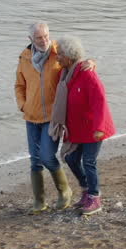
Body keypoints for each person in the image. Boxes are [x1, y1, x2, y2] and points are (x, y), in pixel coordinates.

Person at [50, 35, 115, 216]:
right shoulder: (65, 73)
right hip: (76, 128)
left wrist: (99, 128)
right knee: (70, 158)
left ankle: (95, 198)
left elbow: (99, 100)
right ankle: (86, 189)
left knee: (88, 161)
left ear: (69, 56)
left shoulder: (87, 73)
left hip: (93, 129)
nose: (57, 57)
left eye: (60, 54)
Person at [14, 21, 75, 213]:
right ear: (31, 39)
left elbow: (80, 66)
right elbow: (19, 85)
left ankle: (65, 191)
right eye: (39, 38)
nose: (44, 40)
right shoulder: (24, 58)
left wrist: (92, 63)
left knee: (48, 157)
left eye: (46, 36)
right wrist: (22, 104)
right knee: (35, 160)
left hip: (52, 116)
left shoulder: (59, 53)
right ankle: (39, 201)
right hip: (31, 116)